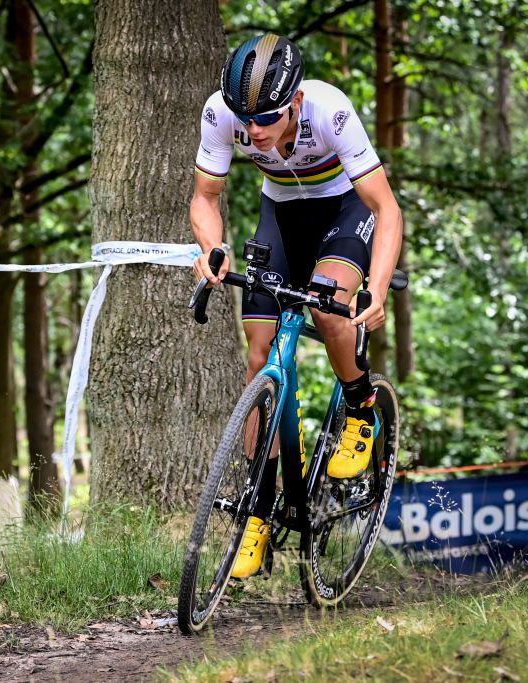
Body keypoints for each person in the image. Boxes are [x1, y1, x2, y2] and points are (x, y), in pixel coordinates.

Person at [190, 34, 403, 579]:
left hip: (344, 210)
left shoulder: (331, 111)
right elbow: (206, 197)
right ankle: (258, 513)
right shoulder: (221, 113)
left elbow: (386, 207)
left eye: (268, 118)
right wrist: (212, 249)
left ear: (297, 103)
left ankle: (360, 408)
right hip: (280, 215)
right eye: (247, 119)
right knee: (260, 356)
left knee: (331, 312)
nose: (254, 131)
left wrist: (375, 290)